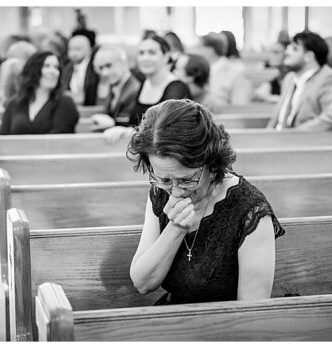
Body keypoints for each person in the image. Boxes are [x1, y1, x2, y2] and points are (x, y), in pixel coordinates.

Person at [127, 99, 285, 305]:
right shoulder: (160, 192)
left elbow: (252, 311)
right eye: (165, 179)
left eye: (186, 180)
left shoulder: (250, 210)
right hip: (171, 318)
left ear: (211, 162)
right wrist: (175, 229)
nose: (175, 191)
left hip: (224, 327)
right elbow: (143, 283)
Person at [105, 35, 191, 143]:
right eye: (141, 53)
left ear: (166, 56)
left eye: (152, 53)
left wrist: (129, 132)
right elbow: (134, 123)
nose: (145, 58)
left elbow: (168, 132)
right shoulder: (143, 84)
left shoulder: (177, 88)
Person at [266, 31, 332, 130]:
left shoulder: (330, 78)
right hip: (276, 140)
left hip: (302, 142)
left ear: (309, 56)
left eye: (295, 49)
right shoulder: (290, 78)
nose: (287, 52)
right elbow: (276, 119)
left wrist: (294, 134)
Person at [0, 51, 79, 134]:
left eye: (56, 67)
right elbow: (3, 137)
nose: (53, 71)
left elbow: (59, 137)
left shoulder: (65, 103)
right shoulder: (14, 103)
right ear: (34, 70)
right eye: (47, 66)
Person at [89, 45, 140, 134]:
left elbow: (129, 125)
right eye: (101, 68)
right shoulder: (114, 86)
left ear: (123, 63)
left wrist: (112, 123)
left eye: (109, 65)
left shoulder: (134, 89)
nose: (104, 73)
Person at [199, 32, 253, 109]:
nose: (196, 51)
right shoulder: (200, 70)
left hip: (223, 118)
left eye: (199, 47)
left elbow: (240, 107)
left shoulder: (237, 72)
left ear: (210, 50)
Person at [65, 35, 101, 106]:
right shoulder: (66, 69)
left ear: (89, 50)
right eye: (70, 49)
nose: (73, 53)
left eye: (77, 49)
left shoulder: (95, 68)